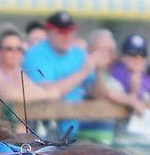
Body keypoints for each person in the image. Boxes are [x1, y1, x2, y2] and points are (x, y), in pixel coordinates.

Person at [0, 24, 95, 134]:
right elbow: (10, 94)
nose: (15, 53)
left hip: (15, 136)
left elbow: (37, 91)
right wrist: (47, 94)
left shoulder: (19, 73)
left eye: (19, 48)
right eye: (9, 49)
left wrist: (44, 94)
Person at [22, 11, 97, 140]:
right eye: (61, 32)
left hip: (80, 128)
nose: (67, 36)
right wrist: (83, 72)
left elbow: (95, 91)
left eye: (70, 31)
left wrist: (100, 70)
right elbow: (49, 91)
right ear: (48, 32)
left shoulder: (79, 53)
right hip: (45, 129)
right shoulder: (36, 54)